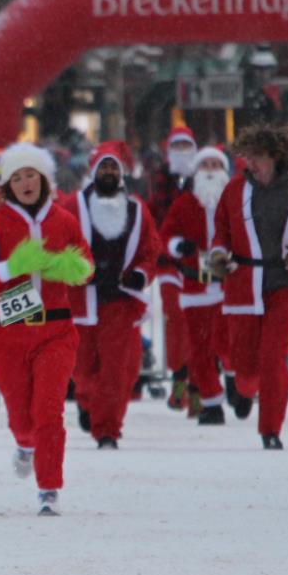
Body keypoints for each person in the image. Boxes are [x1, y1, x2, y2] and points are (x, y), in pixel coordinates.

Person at [0, 144, 91, 515]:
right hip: (9, 330)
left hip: (56, 330)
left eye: (31, 175)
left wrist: (69, 267)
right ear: (7, 185)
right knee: (21, 417)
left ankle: (49, 488)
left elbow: (86, 263)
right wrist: (11, 268)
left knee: (49, 412)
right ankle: (25, 444)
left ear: (44, 180)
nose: (25, 182)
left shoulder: (63, 220)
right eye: (17, 177)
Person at [206, 126, 288, 450]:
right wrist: (218, 254)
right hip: (244, 282)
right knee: (244, 362)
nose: (251, 164)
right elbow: (221, 232)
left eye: (257, 158)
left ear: (275, 158)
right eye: (248, 157)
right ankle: (243, 388)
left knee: (275, 358)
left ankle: (270, 429)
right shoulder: (234, 190)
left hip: (281, 284)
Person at [71, 142, 160, 449]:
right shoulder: (73, 206)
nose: (109, 172)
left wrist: (142, 275)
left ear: (121, 173)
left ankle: (107, 430)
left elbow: (151, 250)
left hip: (120, 301)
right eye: (103, 167)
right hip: (82, 301)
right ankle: (87, 401)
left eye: (113, 167)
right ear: (94, 171)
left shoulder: (137, 210)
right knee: (82, 368)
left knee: (116, 370)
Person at [159, 146, 232, 424]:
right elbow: (167, 234)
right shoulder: (185, 203)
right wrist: (179, 245)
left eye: (216, 164)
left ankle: (234, 379)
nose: (211, 170)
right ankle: (211, 402)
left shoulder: (235, 203)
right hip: (195, 286)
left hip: (228, 286)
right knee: (199, 349)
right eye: (206, 165)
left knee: (227, 342)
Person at [150, 125, 199, 411]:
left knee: (197, 323)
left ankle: (196, 382)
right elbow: (154, 214)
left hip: (199, 262)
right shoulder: (160, 178)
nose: (182, 152)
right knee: (176, 320)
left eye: (186, 147)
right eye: (176, 147)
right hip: (169, 261)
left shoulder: (204, 176)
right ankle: (179, 376)